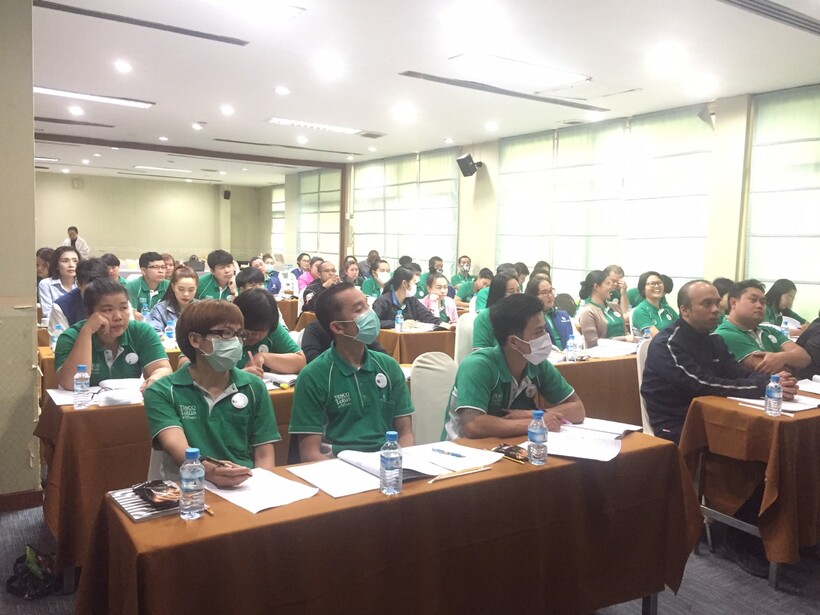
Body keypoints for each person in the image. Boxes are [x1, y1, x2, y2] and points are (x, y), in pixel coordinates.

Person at [143, 300, 279, 487]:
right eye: (226, 333)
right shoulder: (163, 391)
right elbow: (177, 447)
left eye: (240, 334)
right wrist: (211, 471)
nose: (236, 342)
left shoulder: (254, 386)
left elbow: (265, 455)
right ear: (195, 340)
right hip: (187, 489)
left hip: (244, 485)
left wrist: (262, 487)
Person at [640, 280, 794, 444]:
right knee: (757, 440)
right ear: (684, 310)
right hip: (677, 423)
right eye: (707, 304)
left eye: (717, 303)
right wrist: (761, 386)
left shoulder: (714, 340)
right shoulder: (668, 344)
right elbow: (699, 384)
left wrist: (772, 382)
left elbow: (736, 372)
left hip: (715, 414)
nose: (715, 310)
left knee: (774, 434)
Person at [289, 283, 414, 461]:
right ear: (338, 327)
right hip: (337, 465)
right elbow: (310, 454)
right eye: (359, 309)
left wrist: (397, 465)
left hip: (386, 463)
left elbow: (406, 434)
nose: (370, 314)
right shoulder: (313, 376)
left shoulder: (388, 366)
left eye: (367, 305)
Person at [443, 294, 585, 439]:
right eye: (539, 332)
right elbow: (472, 425)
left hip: (510, 445)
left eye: (545, 329)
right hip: (463, 449)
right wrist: (536, 422)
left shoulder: (537, 364)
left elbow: (578, 409)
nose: (546, 336)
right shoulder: (477, 366)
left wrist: (531, 414)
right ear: (514, 342)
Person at [54, 278, 172, 390]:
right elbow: (70, 384)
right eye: (108, 310)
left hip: (130, 402)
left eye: (123, 308)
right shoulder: (71, 336)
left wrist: (156, 377)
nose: (118, 317)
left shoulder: (141, 331)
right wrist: (87, 331)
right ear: (89, 313)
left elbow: (163, 369)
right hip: (85, 404)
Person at [714, 280, 810, 374]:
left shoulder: (769, 330)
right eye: (753, 300)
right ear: (733, 303)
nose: (759, 305)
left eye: (763, 302)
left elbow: (805, 358)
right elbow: (771, 371)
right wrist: (792, 363)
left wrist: (781, 357)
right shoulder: (725, 334)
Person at [232, 289, 306, 375]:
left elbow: (300, 361)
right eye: (251, 333)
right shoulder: (226, 332)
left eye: (261, 333)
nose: (256, 337)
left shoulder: (270, 327)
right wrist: (241, 375)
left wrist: (264, 357)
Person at [48, 257, 109, 334]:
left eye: (101, 287)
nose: (97, 293)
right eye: (91, 289)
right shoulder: (61, 307)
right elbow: (60, 339)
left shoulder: (118, 299)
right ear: (79, 285)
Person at [372, 266, 441, 329]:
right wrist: (397, 323)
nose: (416, 286)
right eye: (414, 283)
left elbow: (426, 316)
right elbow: (374, 323)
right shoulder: (383, 301)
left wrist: (441, 323)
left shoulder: (412, 300)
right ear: (405, 284)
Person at [577, 270, 628, 348]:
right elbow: (593, 343)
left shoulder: (615, 307)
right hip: (603, 353)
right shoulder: (588, 312)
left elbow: (625, 332)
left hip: (626, 349)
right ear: (596, 287)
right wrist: (624, 339)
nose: (611, 286)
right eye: (608, 283)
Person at [472, 273, 520, 349]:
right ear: (499, 294)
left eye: (518, 290)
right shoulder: (485, 317)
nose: (517, 295)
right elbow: (479, 351)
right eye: (511, 291)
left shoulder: (523, 315)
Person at [146, 265, 198, 333]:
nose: (186, 294)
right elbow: (154, 334)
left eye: (191, 290)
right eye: (181, 289)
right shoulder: (159, 310)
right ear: (173, 287)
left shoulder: (202, 309)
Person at [525, 277, 572, 350]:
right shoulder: (530, 319)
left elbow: (574, 340)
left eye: (551, 291)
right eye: (544, 293)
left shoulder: (563, 315)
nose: (550, 296)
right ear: (533, 296)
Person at [630, 271, 679, 337]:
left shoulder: (668, 309)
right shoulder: (640, 311)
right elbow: (658, 338)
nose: (657, 286)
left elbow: (682, 327)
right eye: (652, 283)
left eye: (659, 283)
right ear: (643, 289)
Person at [38, 246, 79, 318]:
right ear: (56, 265)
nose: (71, 265)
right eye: (65, 261)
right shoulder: (46, 284)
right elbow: (48, 313)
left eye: (75, 261)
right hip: (56, 324)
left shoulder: (83, 284)